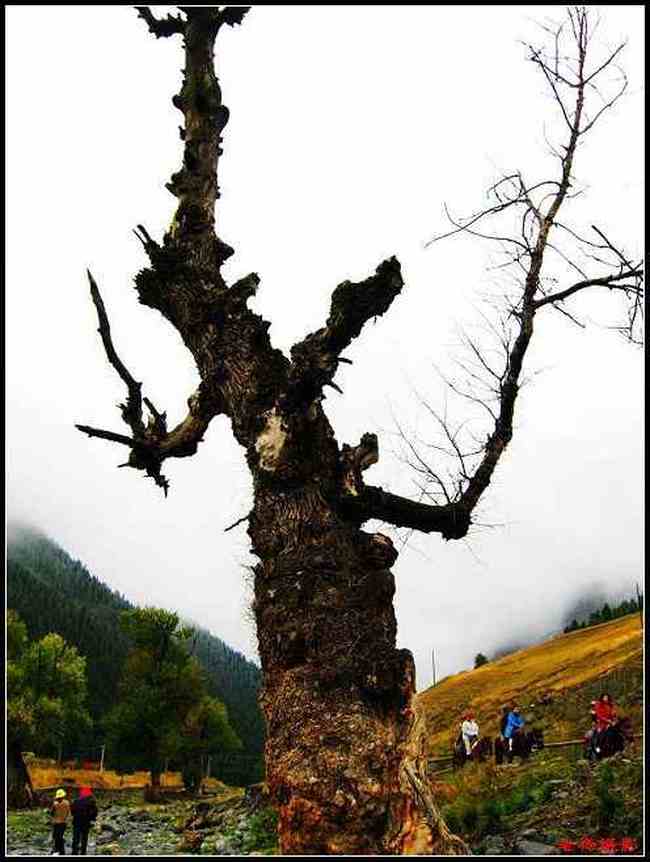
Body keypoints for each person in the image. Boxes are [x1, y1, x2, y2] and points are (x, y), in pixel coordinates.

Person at [71, 786, 98, 856]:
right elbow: (95, 812)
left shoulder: (76, 801)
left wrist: (75, 816)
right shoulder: (91, 802)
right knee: (84, 838)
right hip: (86, 823)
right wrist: (92, 818)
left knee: (76, 838)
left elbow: (72, 811)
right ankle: (83, 852)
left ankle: (74, 852)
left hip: (76, 821)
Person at [50, 788, 71, 855]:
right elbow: (68, 812)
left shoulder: (55, 804)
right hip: (64, 822)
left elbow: (51, 813)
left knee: (56, 837)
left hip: (56, 823)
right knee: (60, 837)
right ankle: (61, 851)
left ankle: (57, 850)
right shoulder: (67, 803)